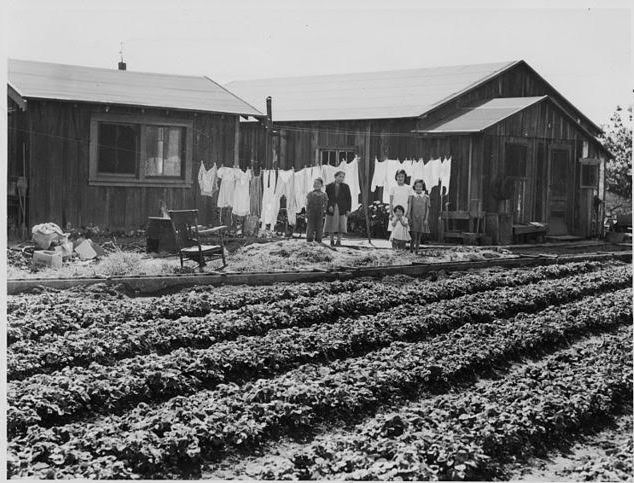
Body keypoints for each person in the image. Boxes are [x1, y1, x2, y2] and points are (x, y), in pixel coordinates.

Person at [324, 171, 351, 247]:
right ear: (335, 176)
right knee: (331, 224)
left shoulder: (346, 187)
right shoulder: (329, 186)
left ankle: (339, 241)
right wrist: (329, 206)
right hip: (332, 207)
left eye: (343, 177)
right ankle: (331, 240)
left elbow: (349, 198)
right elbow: (326, 198)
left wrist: (348, 209)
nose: (341, 178)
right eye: (340, 176)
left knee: (341, 224)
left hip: (342, 208)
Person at [408, 179, 431, 253]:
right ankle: (411, 250)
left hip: (421, 218)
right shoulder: (412, 196)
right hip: (414, 218)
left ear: (423, 187)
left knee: (419, 235)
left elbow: (427, 209)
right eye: (417, 186)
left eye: (420, 187)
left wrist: (426, 219)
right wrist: (409, 216)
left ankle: (417, 250)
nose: (418, 188)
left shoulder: (426, 197)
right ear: (414, 187)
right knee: (413, 235)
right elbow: (410, 207)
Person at [305, 177, 328, 243]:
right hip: (311, 212)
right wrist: (307, 213)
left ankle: (318, 240)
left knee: (319, 226)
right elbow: (307, 204)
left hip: (320, 212)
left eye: (318, 183)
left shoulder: (324, 194)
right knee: (310, 226)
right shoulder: (310, 194)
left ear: (321, 185)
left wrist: (324, 210)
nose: (316, 185)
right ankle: (309, 240)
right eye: (315, 183)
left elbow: (326, 204)